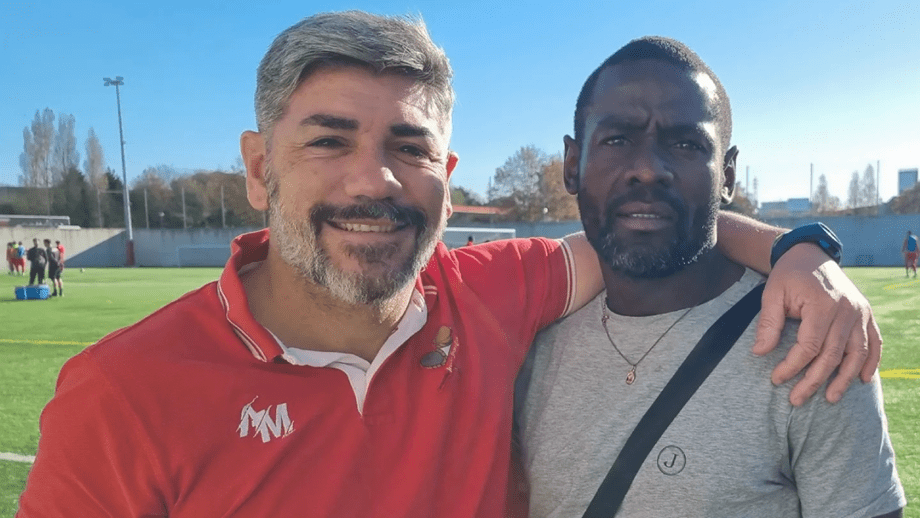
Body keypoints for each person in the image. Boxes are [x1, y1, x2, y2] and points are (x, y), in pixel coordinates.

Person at [18, 13, 882, 518]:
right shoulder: (119, 396)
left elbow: (646, 222)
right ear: (257, 167)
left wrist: (800, 249)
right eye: (329, 141)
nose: (375, 181)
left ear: (447, 177)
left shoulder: (493, 295)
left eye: (409, 146)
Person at [516, 36, 904, 518]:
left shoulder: (812, 347)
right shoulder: (525, 343)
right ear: (573, 165)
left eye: (684, 143)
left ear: (727, 173)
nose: (647, 170)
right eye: (617, 139)